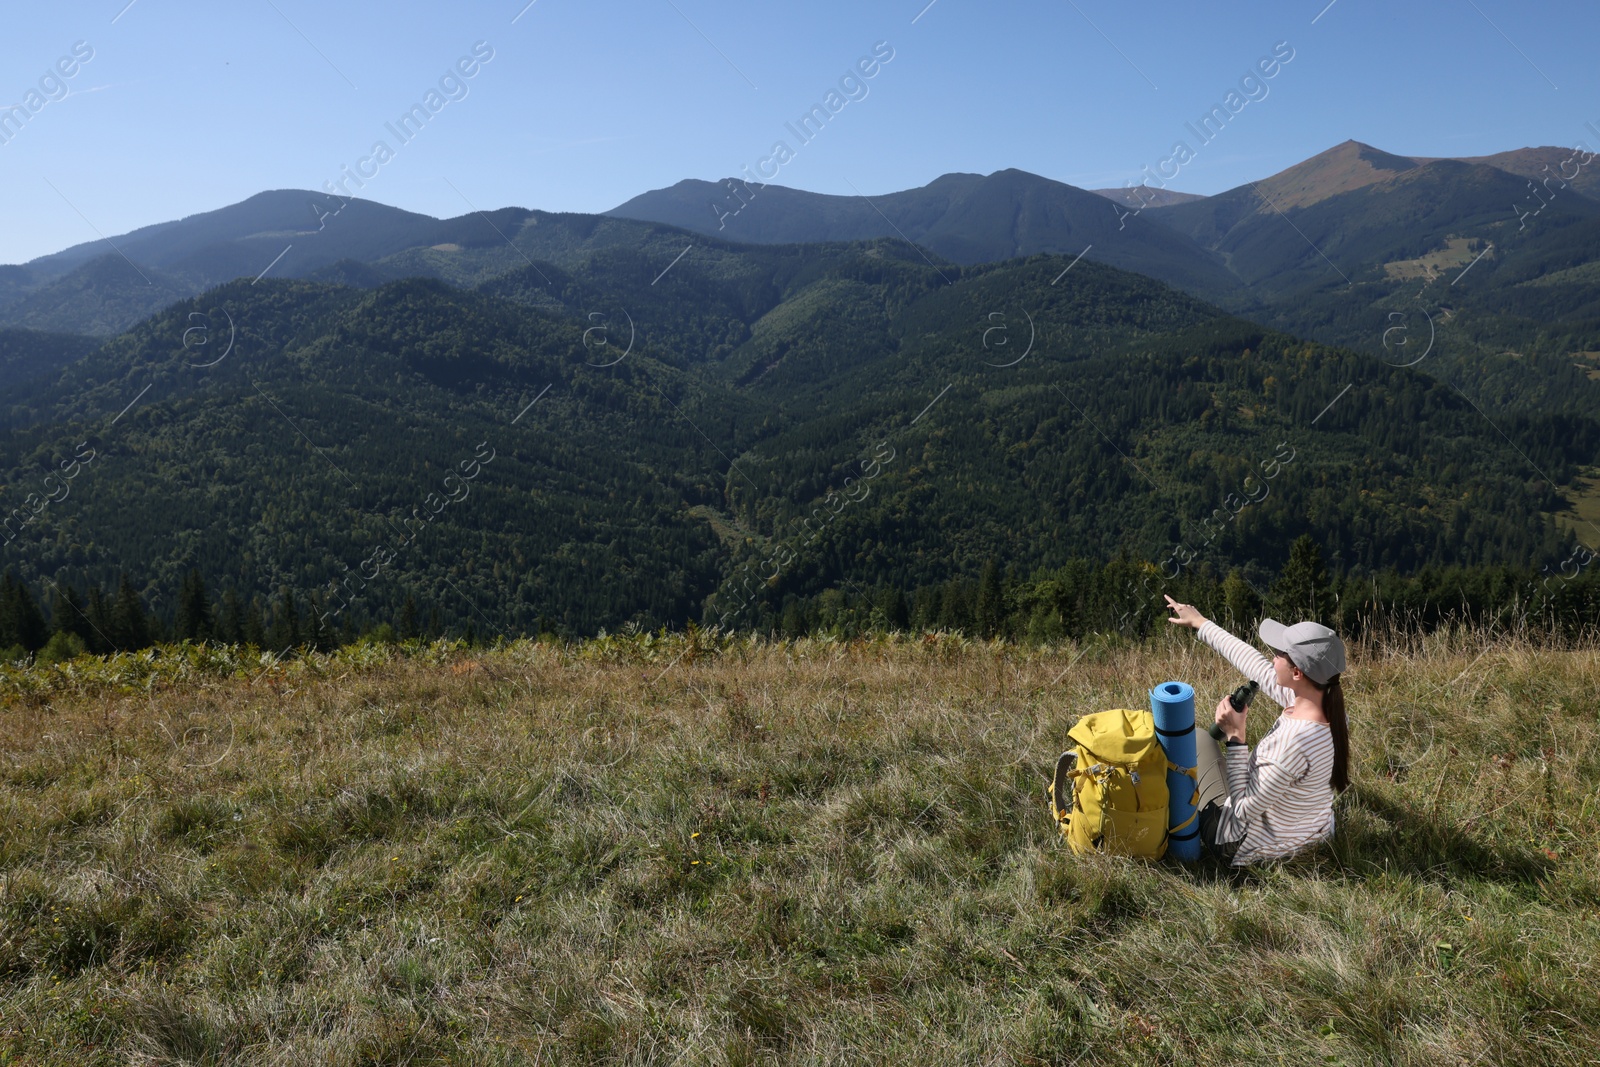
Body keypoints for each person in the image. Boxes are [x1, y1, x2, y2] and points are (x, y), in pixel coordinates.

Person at [1163, 595, 1349, 866]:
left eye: (1279, 654)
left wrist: (1236, 738)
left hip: (1242, 844)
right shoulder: (1328, 706)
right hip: (1308, 832)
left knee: (1198, 739)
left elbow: (1241, 811)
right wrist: (1201, 624)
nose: (1272, 658)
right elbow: (1256, 665)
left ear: (1297, 673)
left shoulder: (1291, 743)